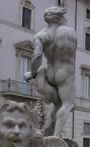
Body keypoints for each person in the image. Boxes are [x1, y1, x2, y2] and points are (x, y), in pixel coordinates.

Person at [25, 7, 77, 137]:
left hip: (49, 72)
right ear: (59, 17)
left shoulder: (40, 35)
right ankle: (55, 138)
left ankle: (48, 131)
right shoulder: (68, 32)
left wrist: (32, 73)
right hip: (65, 73)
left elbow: (37, 56)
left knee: (57, 105)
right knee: (67, 104)